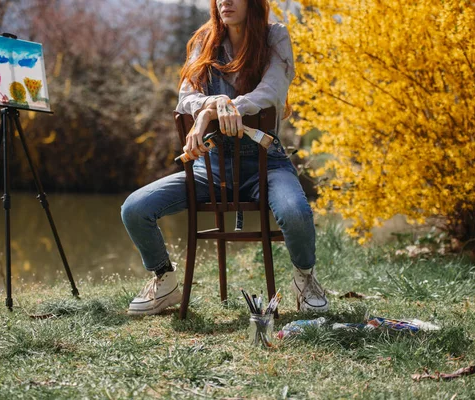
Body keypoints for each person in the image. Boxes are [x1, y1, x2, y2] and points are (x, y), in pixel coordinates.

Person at [121, 0, 329, 315]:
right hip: (211, 168)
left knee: (296, 213)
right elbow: (185, 97)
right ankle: (164, 279)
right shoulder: (205, 41)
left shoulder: (275, 37)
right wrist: (216, 104)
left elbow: (272, 91)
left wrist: (229, 109)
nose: (225, 2)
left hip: (266, 164)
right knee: (134, 210)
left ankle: (305, 278)